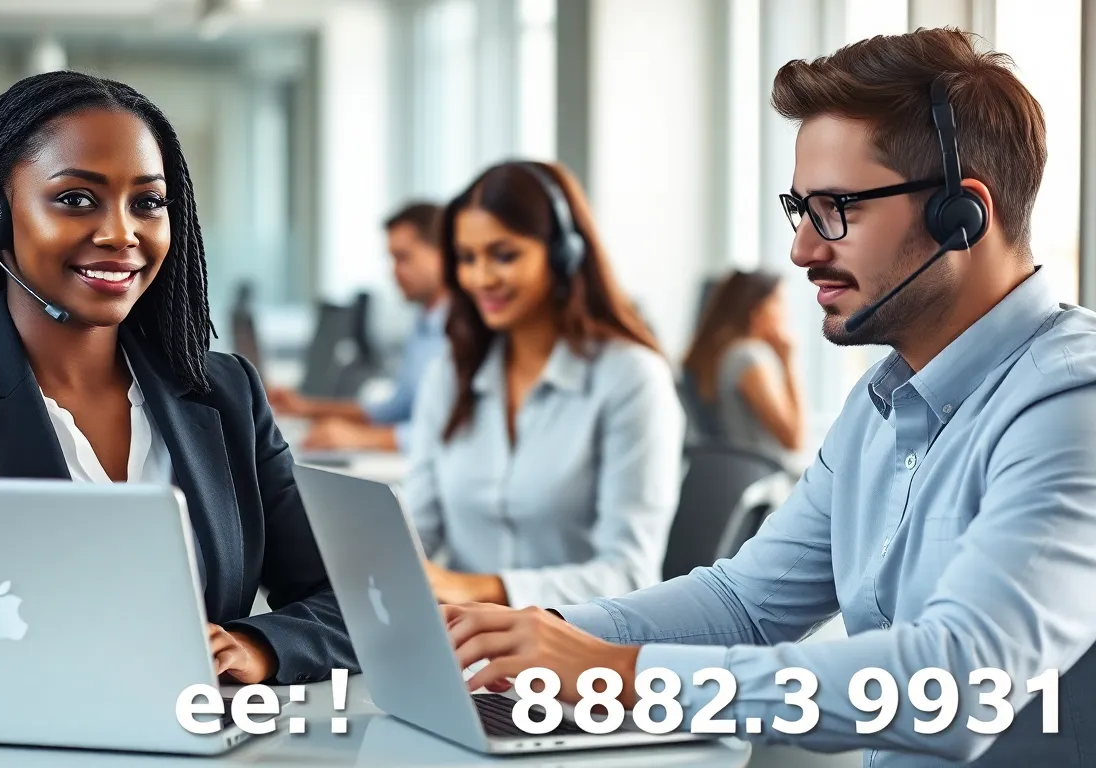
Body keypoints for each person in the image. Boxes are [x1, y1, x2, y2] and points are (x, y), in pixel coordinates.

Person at [440, 29, 1096, 766]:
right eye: (800, 208)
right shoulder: (881, 405)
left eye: (837, 208)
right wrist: (531, 634)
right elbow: (744, 604)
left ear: (961, 215)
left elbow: (958, 683)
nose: (802, 249)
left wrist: (618, 674)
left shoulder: (1073, 406)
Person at [0, 71, 357, 686]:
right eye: (76, 199)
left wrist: (256, 647)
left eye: (148, 202)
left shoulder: (225, 394)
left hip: (202, 730)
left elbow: (345, 602)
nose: (121, 233)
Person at [403, 160, 684, 609]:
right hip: (459, 636)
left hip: (575, 639)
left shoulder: (631, 379)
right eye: (467, 258)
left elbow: (630, 572)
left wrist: (479, 589)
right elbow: (419, 530)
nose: (481, 278)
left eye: (504, 255)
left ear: (563, 254)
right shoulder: (450, 375)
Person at [267, 202, 448, 452]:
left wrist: (364, 438)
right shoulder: (423, 324)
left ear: (442, 254)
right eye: (392, 259)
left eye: (403, 257)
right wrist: (307, 408)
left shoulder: (467, 329)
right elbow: (396, 409)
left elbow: (453, 431)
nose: (394, 272)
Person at [681, 268, 803, 464]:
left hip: (731, 471)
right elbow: (794, 439)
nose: (786, 312)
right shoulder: (749, 358)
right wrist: (788, 361)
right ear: (756, 308)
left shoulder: (717, 355)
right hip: (763, 472)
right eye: (778, 301)